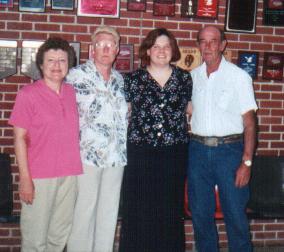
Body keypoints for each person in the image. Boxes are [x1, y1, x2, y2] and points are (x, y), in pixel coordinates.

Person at [119, 28, 192, 252]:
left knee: (169, 208)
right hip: (141, 152)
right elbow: (126, 113)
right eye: (156, 46)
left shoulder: (184, 78)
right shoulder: (132, 79)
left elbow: (189, 110)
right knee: (139, 207)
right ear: (148, 51)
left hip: (174, 153)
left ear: (173, 50)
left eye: (166, 46)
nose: (161, 51)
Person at [187, 26, 258, 252]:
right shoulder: (192, 77)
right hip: (197, 151)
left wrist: (246, 162)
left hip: (229, 152)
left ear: (222, 45)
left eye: (213, 41)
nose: (207, 46)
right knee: (200, 216)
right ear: (198, 45)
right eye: (203, 41)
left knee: (236, 216)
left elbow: (249, 122)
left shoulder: (239, 77)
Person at [9, 37, 82, 252]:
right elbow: (19, 138)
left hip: (70, 174)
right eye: (51, 60)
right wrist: (25, 179)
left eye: (62, 60)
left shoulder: (72, 93)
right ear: (41, 64)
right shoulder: (27, 95)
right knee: (35, 239)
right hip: (39, 176)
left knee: (59, 236)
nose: (57, 66)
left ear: (68, 64)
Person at [66, 25, 128, 252]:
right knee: (84, 213)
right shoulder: (75, 76)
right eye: (100, 44)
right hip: (86, 157)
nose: (105, 48)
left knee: (109, 213)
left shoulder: (120, 80)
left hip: (115, 158)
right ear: (92, 49)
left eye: (110, 45)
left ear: (117, 50)